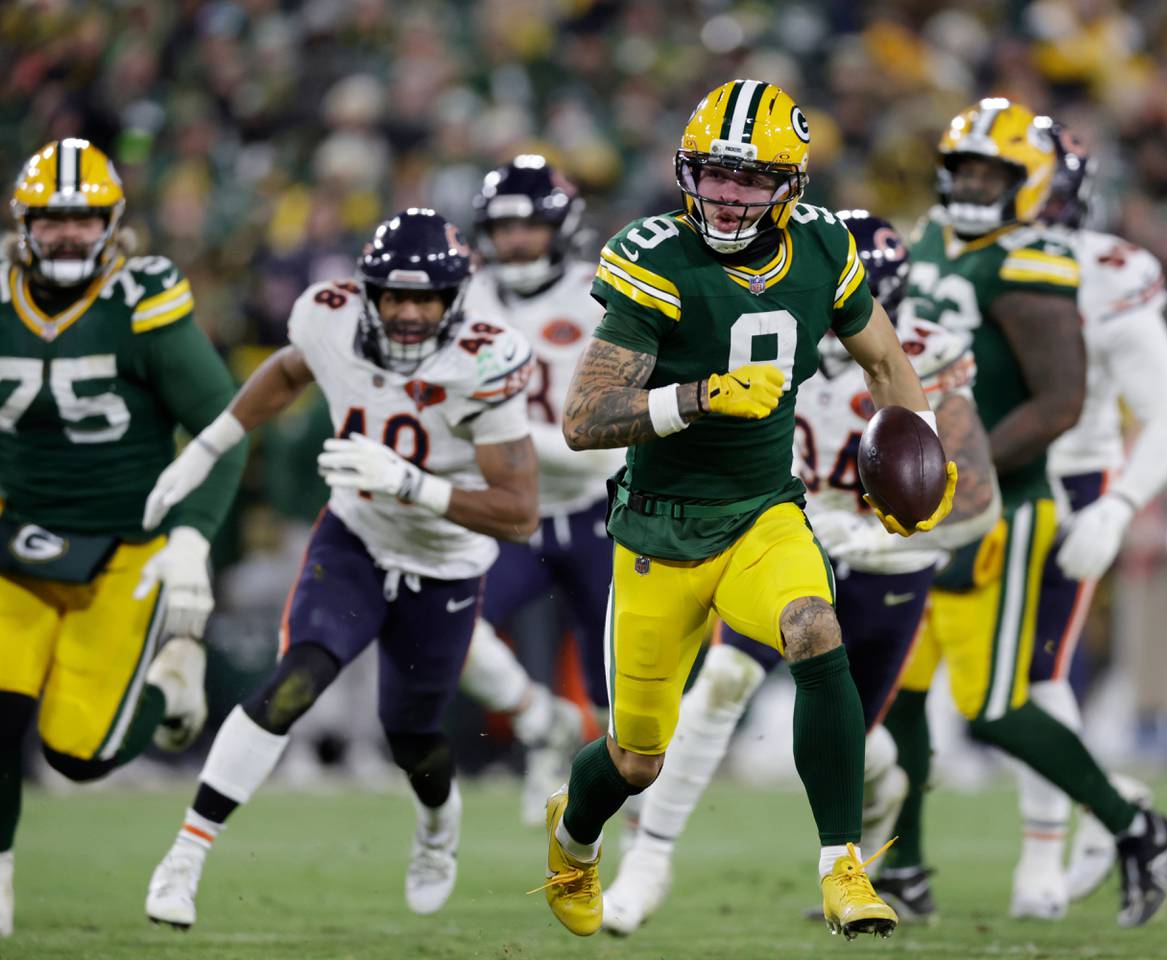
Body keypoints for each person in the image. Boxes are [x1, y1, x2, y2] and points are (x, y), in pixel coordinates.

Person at [534, 79, 962, 941]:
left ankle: (844, 865)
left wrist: (920, 453)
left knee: (814, 627)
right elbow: (584, 419)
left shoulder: (823, 247)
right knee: (636, 758)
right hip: (658, 527)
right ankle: (573, 840)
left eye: (750, 177)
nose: (727, 195)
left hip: (763, 512)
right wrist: (697, 396)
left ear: (792, 184)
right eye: (714, 174)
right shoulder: (656, 257)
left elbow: (884, 360)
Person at [599, 211, 998, 936]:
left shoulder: (922, 356)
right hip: (774, 536)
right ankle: (647, 863)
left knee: (859, 738)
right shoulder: (764, 328)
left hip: (881, 567)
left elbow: (973, 504)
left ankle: (879, 801)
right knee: (722, 681)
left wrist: (898, 529)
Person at [141, 209, 540, 928]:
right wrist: (211, 442)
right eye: (395, 296)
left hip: (444, 562)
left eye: (427, 299)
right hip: (354, 537)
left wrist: (411, 483)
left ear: (455, 299)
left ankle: (436, 831)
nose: (412, 313)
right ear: (368, 293)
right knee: (295, 681)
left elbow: (519, 511)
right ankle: (186, 855)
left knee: (410, 736)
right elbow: (291, 369)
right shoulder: (327, 316)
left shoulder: (486, 357)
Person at [881, 98, 1167, 929]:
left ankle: (1136, 827)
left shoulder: (1036, 263)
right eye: (964, 171)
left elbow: (1060, 403)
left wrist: (952, 464)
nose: (974, 186)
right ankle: (902, 867)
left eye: (994, 174)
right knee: (900, 689)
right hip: (936, 501)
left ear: (1034, 182)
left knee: (995, 705)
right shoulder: (938, 235)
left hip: (1001, 508)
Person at [0, 139, 241, 938]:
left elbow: (223, 428)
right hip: (15, 538)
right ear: (23, 221)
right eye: (53, 217)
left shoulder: (141, 296)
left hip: (124, 548)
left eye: (84, 217)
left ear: (113, 224)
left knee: (76, 756)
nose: (69, 233)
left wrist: (191, 540)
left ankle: (172, 686)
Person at [1014, 120, 1167, 915]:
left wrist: (1119, 505)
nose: (993, 198)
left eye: (1010, 180)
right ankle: (897, 863)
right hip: (974, 481)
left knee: (1028, 677)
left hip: (1067, 484)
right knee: (929, 678)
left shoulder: (1104, 272)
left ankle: (1054, 852)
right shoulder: (953, 254)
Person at [457, 155, 619, 825]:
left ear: (561, 226)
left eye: (530, 225)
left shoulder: (603, 291)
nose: (516, 240)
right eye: (503, 226)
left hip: (595, 510)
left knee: (620, 683)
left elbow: (604, 445)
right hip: (508, 513)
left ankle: (614, 809)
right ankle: (541, 723)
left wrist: (511, 438)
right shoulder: (463, 297)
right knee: (451, 630)